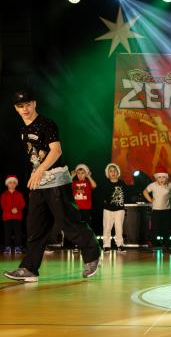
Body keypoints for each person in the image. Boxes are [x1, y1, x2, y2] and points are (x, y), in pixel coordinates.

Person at [3, 90, 101, 282]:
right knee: (35, 227)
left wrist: (40, 171)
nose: (25, 109)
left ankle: (92, 255)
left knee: (68, 222)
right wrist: (35, 178)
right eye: (21, 106)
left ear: (34, 104)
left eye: (28, 104)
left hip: (56, 179)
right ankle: (29, 268)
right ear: (16, 108)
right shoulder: (23, 131)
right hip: (39, 182)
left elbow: (56, 151)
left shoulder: (46, 123)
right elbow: (34, 158)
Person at [143, 166, 171, 253]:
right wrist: (150, 200)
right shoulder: (153, 185)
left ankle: (166, 246)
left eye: (163, 177)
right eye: (159, 177)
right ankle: (151, 245)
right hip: (156, 211)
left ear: (166, 177)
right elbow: (145, 192)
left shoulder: (170, 185)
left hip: (167, 210)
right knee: (154, 229)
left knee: (166, 229)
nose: (161, 179)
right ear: (156, 178)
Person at [101, 163, 127, 253]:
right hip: (108, 209)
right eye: (111, 171)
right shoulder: (105, 184)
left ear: (118, 172)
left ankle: (120, 245)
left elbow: (126, 194)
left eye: (114, 171)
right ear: (108, 173)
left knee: (119, 228)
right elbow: (102, 196)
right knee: (107, 228)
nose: (113, 173)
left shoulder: (122, 183)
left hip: (119, 209)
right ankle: (106, 245)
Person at [2, 176, 25, 254]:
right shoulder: (4, 195)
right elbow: (3, 205)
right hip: (7, 217)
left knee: (18, 233)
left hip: (17, 217)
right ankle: (7, 247)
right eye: (10, 183)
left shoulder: (19, 194)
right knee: (7, 233)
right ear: (7, 184)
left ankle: (18, 247)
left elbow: (22, 204)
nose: (12, 184)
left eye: (14, 183)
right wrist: (10, 210)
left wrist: (17, 209)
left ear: (16, 184)